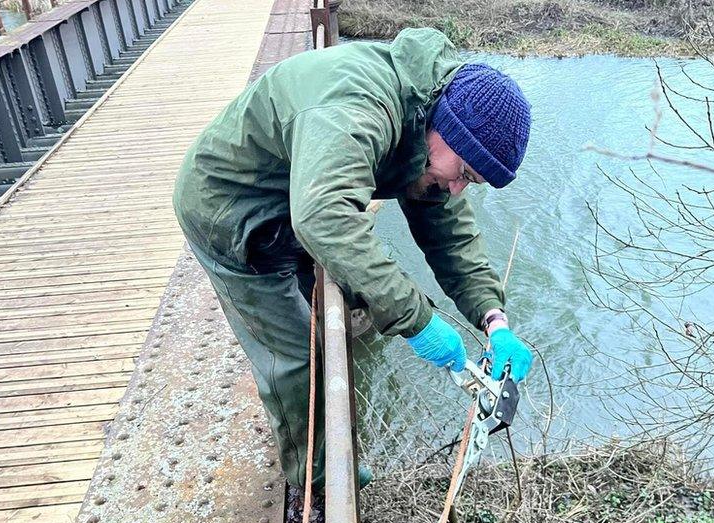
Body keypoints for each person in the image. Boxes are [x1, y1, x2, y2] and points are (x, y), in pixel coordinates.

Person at [172, 27, 534, 491]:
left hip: (295, 199)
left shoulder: (431, 121)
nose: (459, 187)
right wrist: (417, 320)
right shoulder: (360, 108)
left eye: (473, 182)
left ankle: (326, 423)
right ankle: (320, 479)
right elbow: (323, 214)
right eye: (464, 173)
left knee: (346, 307)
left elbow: (448, 233)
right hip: (230, 212)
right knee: (297, 354)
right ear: (446, 128)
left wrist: (494, 319)